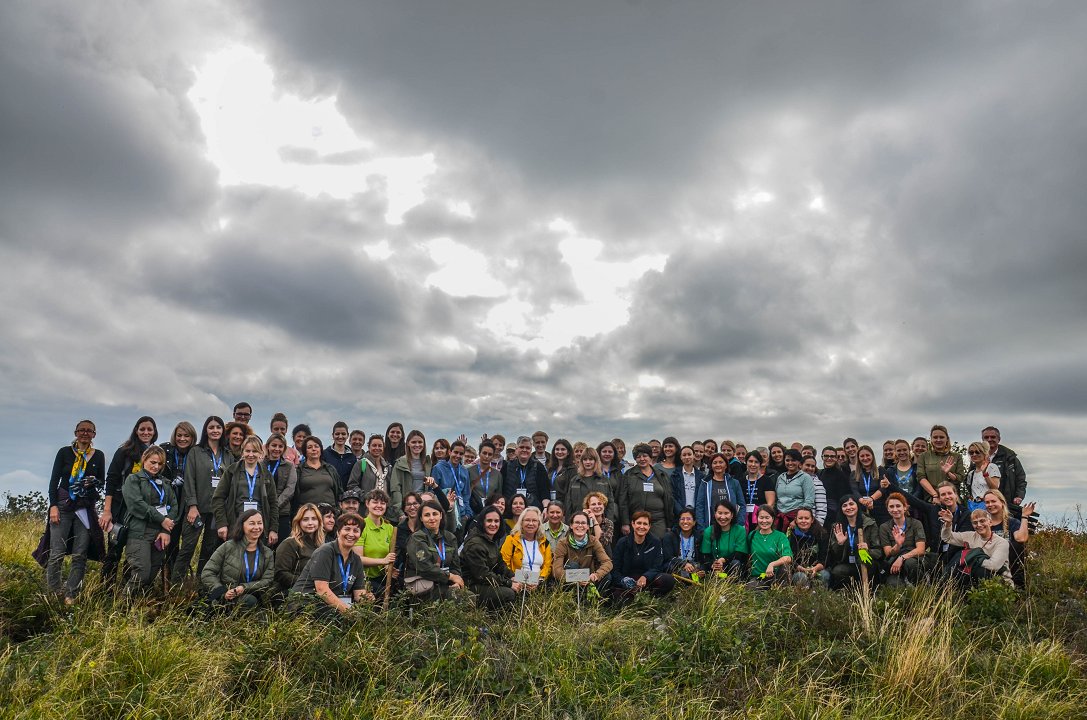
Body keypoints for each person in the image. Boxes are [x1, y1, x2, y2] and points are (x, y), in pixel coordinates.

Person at [45, 420, 106, 603]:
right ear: (75, 432)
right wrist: (52, 506)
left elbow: (102, 482)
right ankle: (54, 592)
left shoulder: (98, 456)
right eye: (81, 430)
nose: (85, 433)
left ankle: (71, 594)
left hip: (84, 507)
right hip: (63, 504)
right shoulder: (64, 452)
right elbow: (54, 480)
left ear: (94, 434)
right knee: (57, 552)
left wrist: (92, 483)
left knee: (80, 553)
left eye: (89, 431)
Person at [175, 416, 234, 581]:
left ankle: (201, 583)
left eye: (218, 427)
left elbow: (230, 484)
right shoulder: (196, 451)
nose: (215, 430)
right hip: (197, 509)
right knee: (188, 548)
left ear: (223, 431)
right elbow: (189, 479)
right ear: (206, 430)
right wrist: (192, 506)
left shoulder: (228, 455)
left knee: (209, 549)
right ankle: (176, 586)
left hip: (217, 511)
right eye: (211, 427)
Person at [102, 416, 159, 585]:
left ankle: (126, 588)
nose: (146, 432)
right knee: (114, 551)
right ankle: (106, 589)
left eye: (149, 429)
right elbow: (111, 480)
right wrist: (107, 511)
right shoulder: (124, 452)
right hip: (121, 508)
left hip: (141, 511)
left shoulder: (156, 454)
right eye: (142, 429)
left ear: (155, 432)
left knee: (134, 552)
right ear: (136, 430)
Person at [290, 512, 375, 616]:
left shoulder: (356, 560)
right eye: (347, 529)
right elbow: (322, 590)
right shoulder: (325, 551)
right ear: (338, 532)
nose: (351, 534)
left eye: (356, 531)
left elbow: (358, 595)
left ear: (360, 535)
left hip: (332, 606)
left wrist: (367, 599)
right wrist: (349, 612)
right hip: (306, 604)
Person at [121, 446, 181, 594]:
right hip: (139, 533)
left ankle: (139, 606)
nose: (156, 466)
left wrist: (165, 529)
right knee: (141, 572)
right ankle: (123, 606)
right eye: (152, 462)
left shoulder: (165, 483)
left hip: (159, 535)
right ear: (144, 460)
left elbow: (173, 506)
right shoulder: (133, 479)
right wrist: (161, 519)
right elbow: (136, 504)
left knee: (152, 573)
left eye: (160, 464)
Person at [201, 510, 274, 610]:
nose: (257, 527)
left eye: (260, 523)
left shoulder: (267, 553)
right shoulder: (228, 546)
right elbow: (207, 572)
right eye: (252, 523)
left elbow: (268, 580)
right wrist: (222, 592)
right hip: (226, 596)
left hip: (252, 597)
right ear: (242, 526)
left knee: (250, 600)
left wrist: (244, 588)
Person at [212, 435, 279, 545]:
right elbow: (218, 498)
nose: (251, 455)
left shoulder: (266, 475)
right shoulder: (232, 471)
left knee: (256, 558)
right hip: (236, 524)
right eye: (247, 451)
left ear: (260, 453)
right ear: (242, 452)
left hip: (259, 526)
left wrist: (273, 529)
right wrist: (221, 523)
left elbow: (273, 503)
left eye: (255, 451)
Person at [462, 506, 522, 609]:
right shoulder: (475, 544)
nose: (493, 524)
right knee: (509, 593)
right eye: (489, 521)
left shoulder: (491, 540)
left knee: (521, 586)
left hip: (486, 581)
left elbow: (500, 565)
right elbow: (482, 575)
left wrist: (514, 577)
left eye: (496, 521)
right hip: (472, 585)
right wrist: (508, 583)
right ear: (482, 522)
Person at [404, 501, 464, 601]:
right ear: (421, 519)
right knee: (458, 598)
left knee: (468, 596)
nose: (432, 518)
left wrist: (456, 581)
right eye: (427, 515)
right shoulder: (417, 538)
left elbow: (455, 566)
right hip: (424, 586)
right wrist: (450, 576)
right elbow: (424, 568)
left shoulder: (450, 537)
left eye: (435, 514)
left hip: (445, 584)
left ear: (441, 515)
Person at [939, 507, 1012, 587]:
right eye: (975, 523)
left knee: (979, 569)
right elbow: (947, 538)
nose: (979, 525)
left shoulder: (1002, 542)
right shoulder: (970, 536)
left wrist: (970, 558)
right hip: (975, 581)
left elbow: (993, 566)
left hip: (1000, 584)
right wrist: (948, 523)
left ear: (990, 522)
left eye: (982, 521)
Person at [611, 511, 675, 602]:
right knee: (618, 598)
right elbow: (615, 569)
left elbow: (657, 566)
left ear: (649, 526)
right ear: (633, 524)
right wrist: (623, 580)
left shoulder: (655, 542)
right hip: (627, 582)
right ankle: (634, 598)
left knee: (668, 580)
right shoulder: (622, 542)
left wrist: (646, 576)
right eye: (639, 523)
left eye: (645, 524)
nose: (642, 527)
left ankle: (652, 597)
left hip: (648, 581)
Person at [160, 421, 196, 570]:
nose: (182, 439)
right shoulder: (165, 450)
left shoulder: (196, 453)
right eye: (179, 435)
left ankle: (178, 578)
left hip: (188, 503)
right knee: (170, 542)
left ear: (192, 437)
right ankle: (166, 580)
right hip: (168, 503)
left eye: (186, 436)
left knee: (186, 544)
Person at [620, 443, 675, 539]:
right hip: (636, 521)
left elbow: (668, 499)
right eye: (638, 457)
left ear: (650, 457)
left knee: (657, 548)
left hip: (658, 521)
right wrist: (625, 523)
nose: (642, 459)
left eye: (645, 456)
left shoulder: (662, 475)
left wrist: (669, 524)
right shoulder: (628, 475)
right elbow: (623, 500)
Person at [827, 495, 882, 590]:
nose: (848, 507)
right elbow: (835, 556)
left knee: (867, 564)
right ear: (841, 509)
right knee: (838, 571)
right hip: (847, 563)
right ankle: (850, 594)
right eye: (845, 505)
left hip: (867, 563)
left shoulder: (870, 524)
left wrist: (868, 549)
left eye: (851, 504)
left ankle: (869, 593)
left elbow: (879, 552)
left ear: (857, 506)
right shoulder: (837, 527)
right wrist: (840, 544)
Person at [552, 511, 613, 595]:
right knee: (573, 565)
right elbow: (556, 571)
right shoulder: (563, 543)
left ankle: (594, 601)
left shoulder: (593, 541)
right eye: (577, 522)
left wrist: (596, 575)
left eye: (583, 523)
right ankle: (571, 600)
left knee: (607, 576)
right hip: (570, 581)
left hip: (588, 579)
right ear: (571, 525)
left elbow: (607, 562)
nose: (580, 525)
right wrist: (575, 578)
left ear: (588, 526)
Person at [351, 489, 397, 598]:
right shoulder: (360, 526)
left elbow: (390, 556)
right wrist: (383, 561)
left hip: (383, 578)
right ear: (367, 504)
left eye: (383, 503)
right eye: (375, 502)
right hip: (364, 579)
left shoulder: (389, 528)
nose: (379, 506)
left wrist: (389, 567)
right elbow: (358, 559)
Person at [273, 503, 325, 595]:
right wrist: (306, 584)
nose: (310, 523)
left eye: (314, 519)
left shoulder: (322, 546)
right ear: (298, 522)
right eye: (305, 519)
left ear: (319, 522)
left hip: (317, 592)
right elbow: (280, 573)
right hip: (291, 593)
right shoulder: (289, 543)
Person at [878, 492, 926, 587]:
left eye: (898, 506)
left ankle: (921, 588)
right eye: (891, 507)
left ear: (905, 507)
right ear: (888, 509)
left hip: (913, 561)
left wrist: (902, 558)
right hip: (894, 563)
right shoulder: (884, 527)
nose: (895, 509)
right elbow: (888, 553)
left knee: (910, 563)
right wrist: (898, 545)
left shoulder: (916, 523)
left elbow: (921, 549)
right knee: (894, 586)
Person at [559, 448, 615, 525]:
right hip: (579, 524)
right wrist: (570, 523)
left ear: (596, 461)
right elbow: (569, 504)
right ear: (581, 461)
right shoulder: (574, 480)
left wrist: (608, 522)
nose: (588, 462)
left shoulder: (604, 480)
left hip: (600, 524)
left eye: (591, 459)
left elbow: (610, 503)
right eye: (585, 459)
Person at [501, 506, 552, 590]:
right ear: (521, 522)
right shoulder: (511, 539)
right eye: (527, 520)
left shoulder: (544, 542)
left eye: (534, 520)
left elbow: (547, 565)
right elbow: (504, 563)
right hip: (517, 584)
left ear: (539, 524)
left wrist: (539, 580)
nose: (531, 523)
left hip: (538, 585)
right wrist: (516, 580)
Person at [346, 434, 396, 517]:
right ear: (369, 447)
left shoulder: (387, 466)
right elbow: (352, 485)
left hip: (384, 510)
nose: (377, 448)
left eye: (380, 446)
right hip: (366, 510)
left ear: (383, 448)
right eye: (374, 445)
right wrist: (367, 497)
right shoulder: (361, 463)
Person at [745, 505, 792, 589]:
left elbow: (788, 558)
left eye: (767, 517)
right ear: (757, 518)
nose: (764, 521)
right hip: (758, 577)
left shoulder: (780, 536)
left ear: (773, 519)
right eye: (761, 517)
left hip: (776, 576)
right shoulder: (752, 535)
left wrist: (772, 564)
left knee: (785, 567)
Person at [695, 453, 745, 531]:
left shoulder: (734, 483)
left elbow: (742, 505)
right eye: (715, 463)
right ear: (711, 466)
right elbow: (699, 506)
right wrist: (701, 527)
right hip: (711, 526)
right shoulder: (705, 483)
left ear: (726, 465)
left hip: (731, 528)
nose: (718, 465)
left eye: (721, 462)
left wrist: (739, 523)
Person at [432, 439, 473, 533]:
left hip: (461, 516)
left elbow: (466, 495)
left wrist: (467, 515)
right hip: (445, 513)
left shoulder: (464, 471)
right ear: (450, 452)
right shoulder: (438, 468)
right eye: (455, 452)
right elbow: (433, 491)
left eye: (461, 454)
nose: (458, 456)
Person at [982, 426, 1028, 509]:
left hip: (1006, 501)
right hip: (983, 503)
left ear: (999, 439)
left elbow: (1021, 479)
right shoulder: (977, 457)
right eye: (986, 437)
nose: (989, 439)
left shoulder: (1010, 457)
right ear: (982, 440)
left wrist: (1019, 496)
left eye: (993, 437)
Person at [264, 433, 298, 544]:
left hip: (281, 513)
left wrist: (274, 506)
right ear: (268, 446)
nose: (277, 449)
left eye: (280, 446)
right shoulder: (260, 464)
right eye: (274, 445)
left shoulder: (289, 466)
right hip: (262, 512)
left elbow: (290, 489)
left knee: (281, 547)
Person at [916, 425, 965, 500]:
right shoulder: (924, 456)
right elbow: (921, 477)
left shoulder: (957, 456)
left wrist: (949, 473)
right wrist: (935, 495)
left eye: (941, 437)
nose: (938, 440)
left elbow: (960, 478)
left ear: (947, 439)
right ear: (931, 439)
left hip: (952, 499)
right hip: (931, 499)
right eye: (935, 437)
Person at [700, 499, 747, 579]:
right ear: (715, 514)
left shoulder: (740, 530)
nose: (722, 517)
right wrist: (714, 564)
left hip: (731, 565)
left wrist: (723, 560)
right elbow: (705, 555)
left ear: (732, 515)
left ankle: (734, 587)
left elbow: (739, 554)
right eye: (720, 513)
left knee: (736, 563)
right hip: (714, 567)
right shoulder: (709, 531)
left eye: (726, 513)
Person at [850, 445, 895, 525]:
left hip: (881, 510)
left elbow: (883, 489)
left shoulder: (881, 470)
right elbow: (854, 490)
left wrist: (871, 499)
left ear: (872, 456)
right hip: (862, 510)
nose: (865, 458)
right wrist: (863, 501)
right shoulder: (854, 474)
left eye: (867, 455)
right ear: (858, 458)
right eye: (862, 456)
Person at [391, 429, 435, 508]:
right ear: (408, 443)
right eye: (414, 442)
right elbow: (395, 489)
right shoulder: (400, 463)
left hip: (423, 504)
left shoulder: (428, 463)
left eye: (420, 442)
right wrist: (399, 509)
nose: (417, 445)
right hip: (408, 505)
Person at [502, 436, 549, 509]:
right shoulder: (507, 466)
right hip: (511, 509)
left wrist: (546, 507)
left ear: (531, 450)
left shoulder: (539, 467)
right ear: (517, 449)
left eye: (527, 448)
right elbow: (501, 490)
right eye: (521, 447)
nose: (524, 450)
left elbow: (545, 491)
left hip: (532, 509)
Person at [296, 435, 341, 509]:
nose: (313, 449)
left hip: (329, 513)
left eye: (316, 446)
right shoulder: (299, 470)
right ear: (305, 451)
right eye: (309, 447)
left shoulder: (330, 469)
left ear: (321, 450)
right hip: (308, 513)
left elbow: (339, 491)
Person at [789, 507, 830, 588]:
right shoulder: (791, 535)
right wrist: (802, 569)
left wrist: (815, 568)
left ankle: (820, 598)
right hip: (798, 570)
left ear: (812, 520)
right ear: (796, 520)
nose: (803, 521)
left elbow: (825, 557)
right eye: (800, 518)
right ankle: (802, 599)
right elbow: (790, 558)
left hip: (818, 568)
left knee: (824, 575)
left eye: (807, 518)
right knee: (800, 577)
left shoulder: (822, 534)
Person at [662, 508, 703, 582]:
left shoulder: (699, 537)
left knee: (700, 568)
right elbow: (668, 558)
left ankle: (690, 579)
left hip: (692, 567)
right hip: (676, 566)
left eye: (688, 519)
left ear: (694, 522)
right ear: (678, 522)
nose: (685, 521)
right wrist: (683, 564)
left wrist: (700, 569)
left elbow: (702, 559)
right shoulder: (669, 536)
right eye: (682, 519)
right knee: (668, 566)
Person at [739, 451, 774, 529]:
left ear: (760, 464)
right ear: (746, 462)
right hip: (744, 518)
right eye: (750, 461)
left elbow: (770, 503)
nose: (753, 465)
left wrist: (762, 520)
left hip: (761, 518)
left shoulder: (767, 480)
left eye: (756, 462)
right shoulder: (741, 481)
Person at [964, 441, 1001, 511]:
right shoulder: (971, 473)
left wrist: (985, 474)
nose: (974, 454)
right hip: (974, 506)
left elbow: (995, 488)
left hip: (989, 505)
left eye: (977, 452)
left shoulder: (992, 467)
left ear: (984, 453)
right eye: (971, 453)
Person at [818, 446, 852, 519]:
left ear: (836, 458)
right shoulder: (819, 474)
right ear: (822, 457)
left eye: (832, 456)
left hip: (835, 514)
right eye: (826, 456)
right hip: (820, 511)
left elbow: (844, 498)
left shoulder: (842, 476)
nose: (829, 458)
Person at [322, 421, 357, 490]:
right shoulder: (324, 454)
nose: (340, 437)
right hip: (329, 495)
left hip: (347, 497)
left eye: (343, 434)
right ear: (333, 435)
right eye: (337, 434)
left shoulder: (352, 457)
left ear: (347, 435)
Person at [469, 440, 500, 515]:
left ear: (493, 456)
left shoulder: (497, 474)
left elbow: (499, 495)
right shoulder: (469, 471)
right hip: (473, 510)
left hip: (490, 511)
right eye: (484, 453)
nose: (486, 456)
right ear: (479, 453)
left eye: (490, 454)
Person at [671, 445, 703, 517]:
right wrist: (681, 512)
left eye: (689, 454)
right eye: (684, 455)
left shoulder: (701, 476)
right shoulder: (675, 475)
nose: (687, 457)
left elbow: (702, 498)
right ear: (681, 457)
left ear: (693, 456)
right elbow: (672, 496)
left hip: (696, 514)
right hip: (680, 513)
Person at [546, 439, 575, 505]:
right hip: (550, 504)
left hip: (563, 506)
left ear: (568, 452)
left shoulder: (572, 470)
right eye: (557, 449)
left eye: (563, 449)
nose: (559, 452)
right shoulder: (551, 468)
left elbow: (570, 493)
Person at [800, 457, 828, 524]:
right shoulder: (794, 480)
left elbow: (822, 509)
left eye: (813, 466)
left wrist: (818, 527)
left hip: (809, 524)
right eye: (807, 465)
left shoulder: (817, 483)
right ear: (800, 465)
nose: (810, 468)